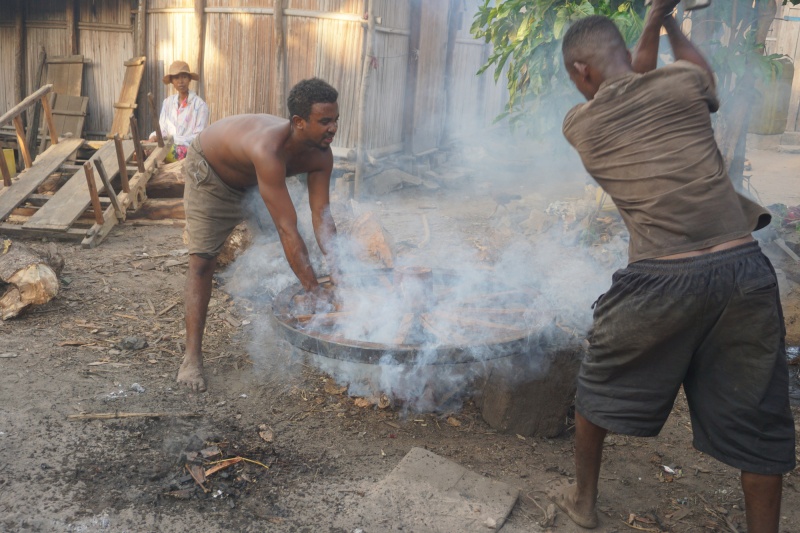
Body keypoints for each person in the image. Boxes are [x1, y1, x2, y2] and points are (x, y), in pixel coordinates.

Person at [550, 1, 795, 531]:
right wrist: (665, 17)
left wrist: (653, 19)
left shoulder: (581, 125)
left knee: (597, 383)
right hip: (743, 268)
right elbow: (681, 75)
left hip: (661, 277)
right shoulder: (682, 86)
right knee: (759, 421)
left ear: (580, 71)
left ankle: (583, 502)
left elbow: (630, 81)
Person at [177, 78, 340, 393]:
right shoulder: (269, 149)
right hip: (211, 172)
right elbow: (287, 228)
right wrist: (315, 291)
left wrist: (340, 271)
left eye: (335, 120)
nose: (333, 128)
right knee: (202, 263)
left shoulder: (322, 153)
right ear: (298, 122)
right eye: (325, 121)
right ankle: (191, 358)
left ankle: (281, 331)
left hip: (257, 180)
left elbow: (323, 217)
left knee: (292, 251)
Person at [149, 60, 209, 162]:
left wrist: (173, 140)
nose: (180, 81)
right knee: (146, 146)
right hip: (167, 145)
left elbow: (198, 137)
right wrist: (154, 137)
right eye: (176, 78)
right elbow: (163, 129)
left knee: (161, 152)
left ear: (189, 79)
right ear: (172, 81)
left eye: (184, 77)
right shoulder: (167, 102)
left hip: (188, 151)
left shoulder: (200, 105)